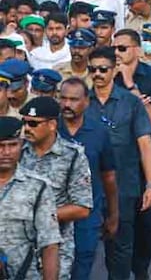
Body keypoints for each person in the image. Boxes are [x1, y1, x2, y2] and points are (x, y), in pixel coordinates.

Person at [85, 46, 151, 280]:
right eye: (93, 69)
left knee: (121, 248)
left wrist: (150, 185)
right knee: (84, 249)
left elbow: (145, 144)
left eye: (103, 69)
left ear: (114, 69)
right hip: (88, 188)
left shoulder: (131, 103)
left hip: (124, 186)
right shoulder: (81, 102)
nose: (98, 74)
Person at [18, 95, 93, 280]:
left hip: (55, 247)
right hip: (17, 244)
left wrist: (38, 215)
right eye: (25, 122)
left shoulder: (73, 156)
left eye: (34, 124)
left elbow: (82, 208)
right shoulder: (16, 152)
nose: (27, 128)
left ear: (52, 125)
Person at [57, 77, 119, 280]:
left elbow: (108, 176)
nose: (67, 104)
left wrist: (113, 214)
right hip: (54, 211)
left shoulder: (99, 132)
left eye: (74, 99)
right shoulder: (50, 129)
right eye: (63, 98)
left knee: (83, 261)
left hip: (87, 212)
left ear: (86, 102)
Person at [0, 115, 61, 280]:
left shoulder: (38, 187)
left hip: (23, 273)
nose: (6, 152)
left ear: (21, 145)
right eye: (0, 146)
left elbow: (49, 244)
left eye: (12, 145)